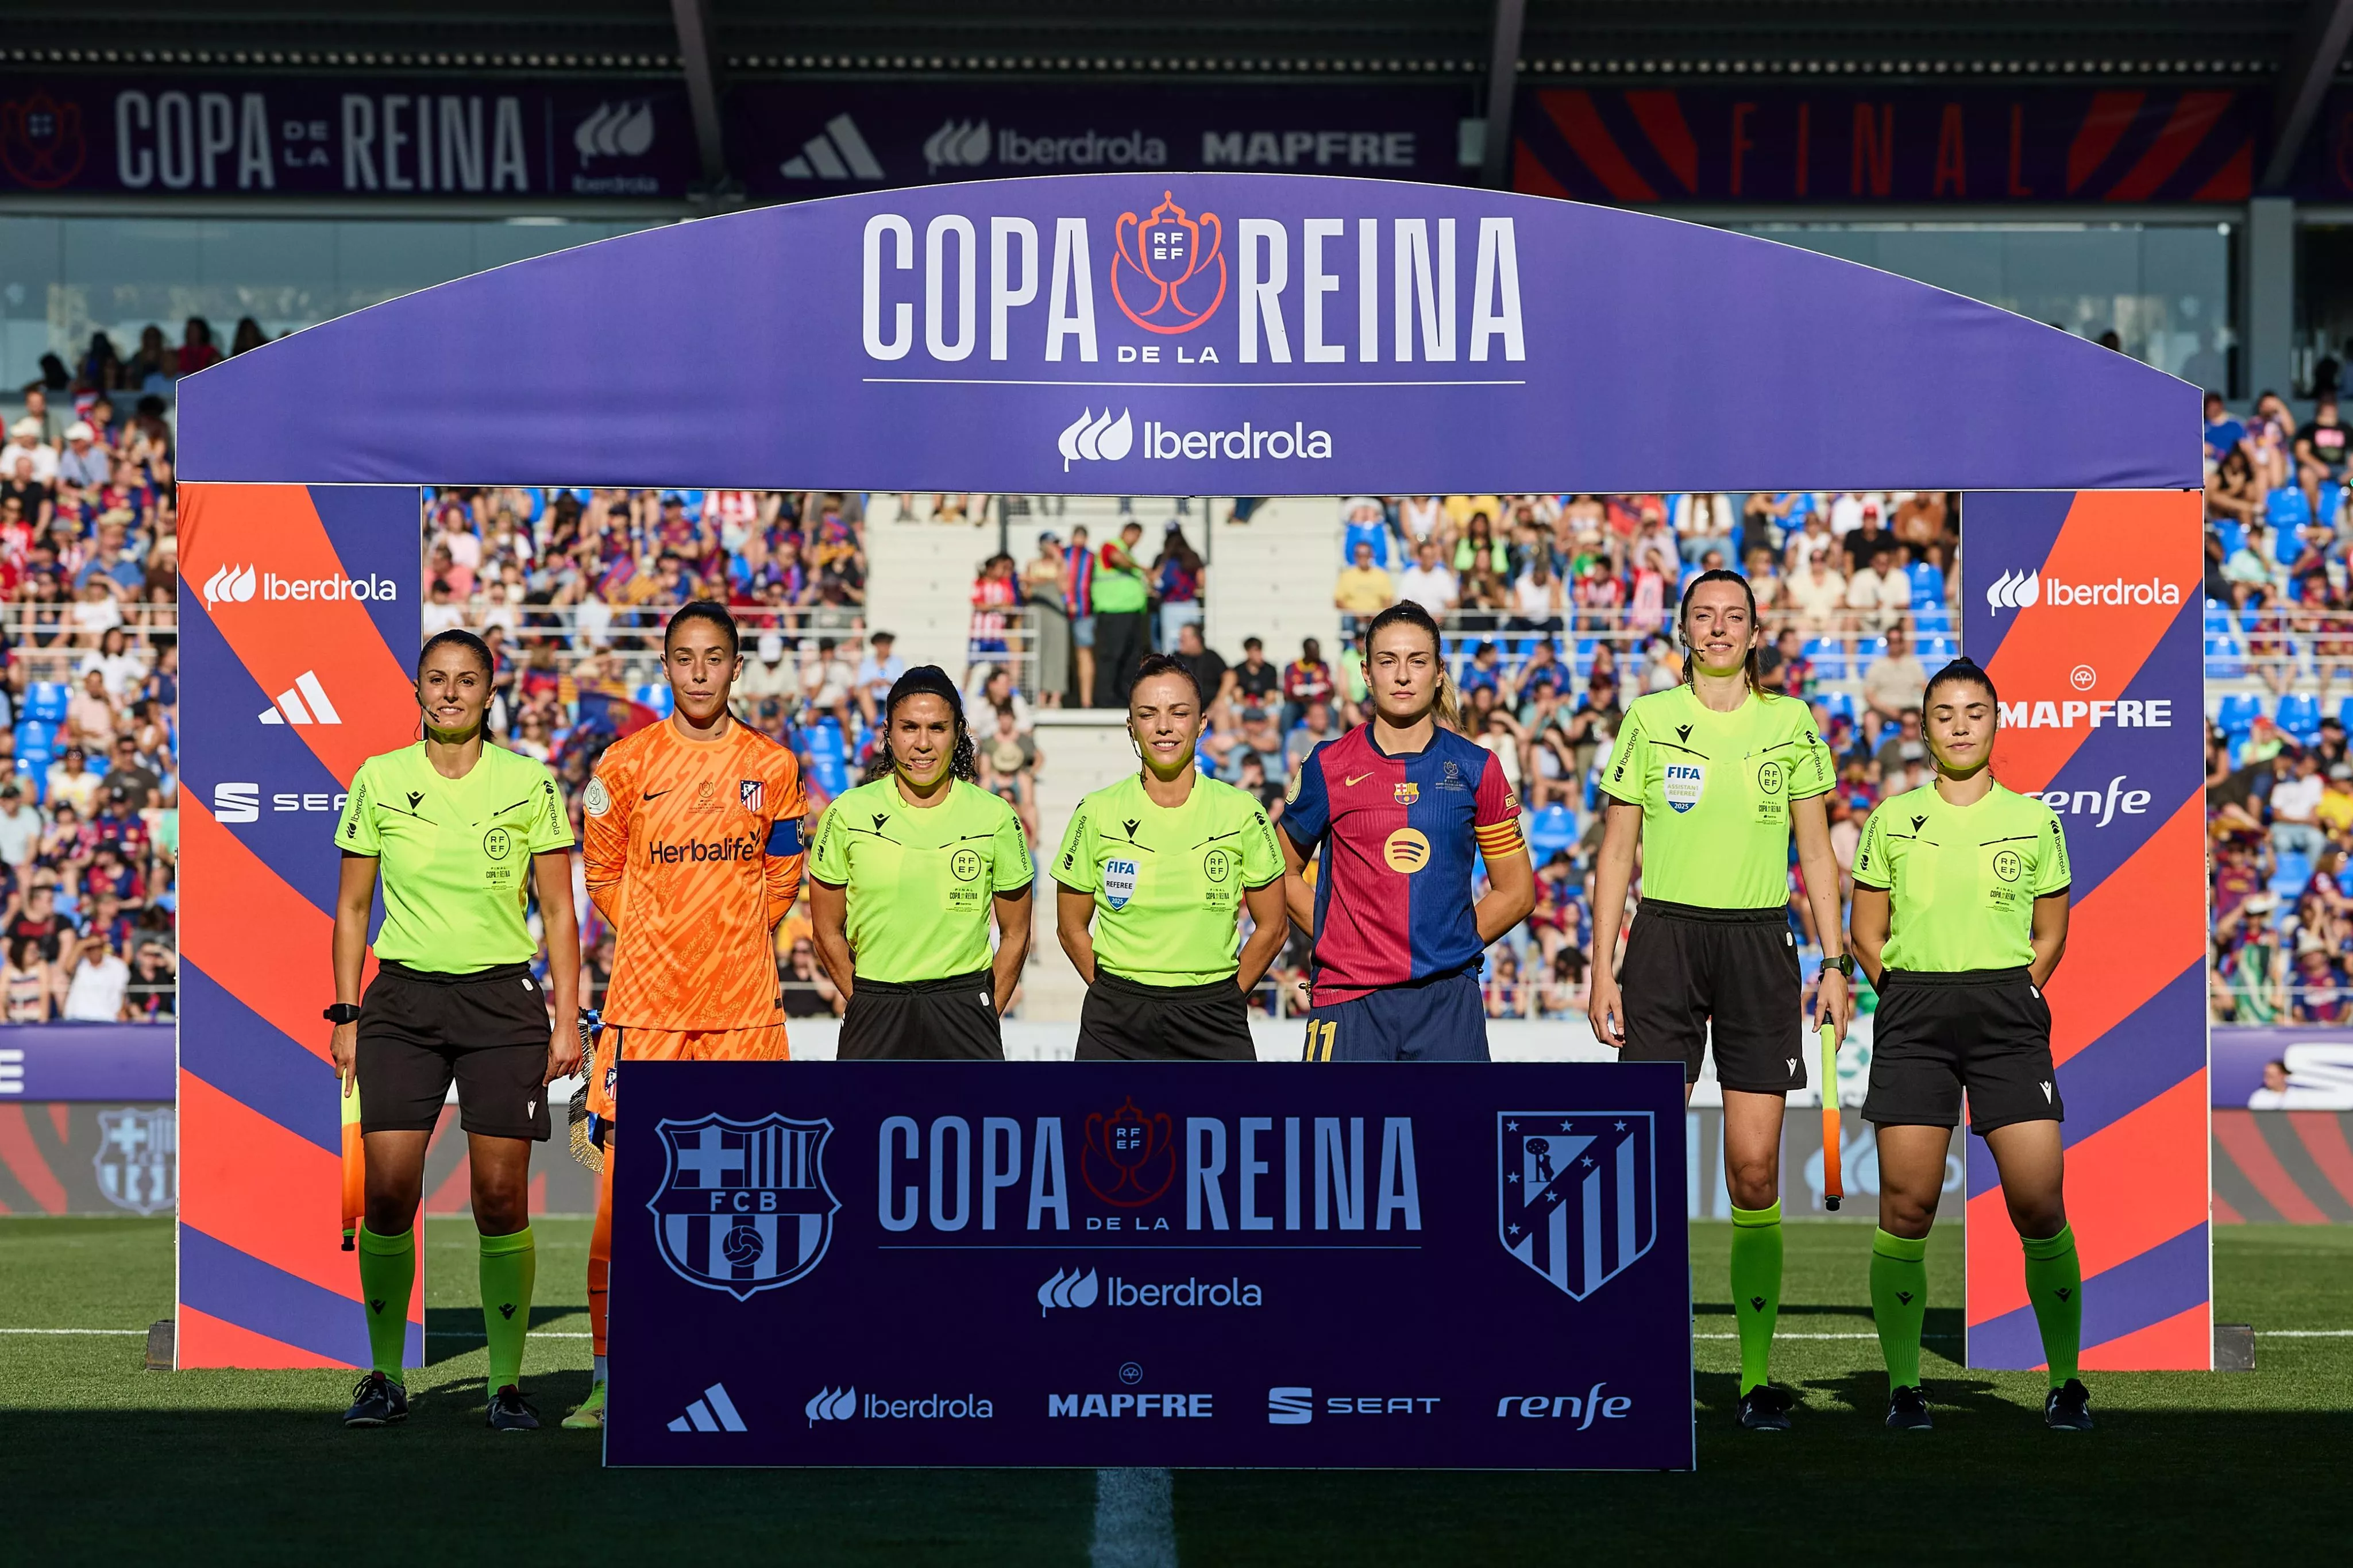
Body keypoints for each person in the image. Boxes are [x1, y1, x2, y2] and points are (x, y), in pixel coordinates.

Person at [1586, 569, 1850, 1432]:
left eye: (1734, 616)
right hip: (1662, 943)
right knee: (1646, 1162)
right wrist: (1601, 965)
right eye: (1705, 615)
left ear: (1755, 629)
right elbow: (1616, 853)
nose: (1720, 628)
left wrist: (1834, 960)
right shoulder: (1651, 720)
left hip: (1757, 946)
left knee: (1754, 1168)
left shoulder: (1792, 724)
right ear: (1684, 628)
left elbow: (1816, 856)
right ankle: (1633, 1361)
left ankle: (1755, 1377)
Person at [328, 629, 580, 1431]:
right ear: (417, 689)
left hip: (502, 1006)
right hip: (400, 1004)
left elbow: (561, 912)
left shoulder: (530, 782)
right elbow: (352, 909)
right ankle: (383, 1376)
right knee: (390, 1193)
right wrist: (346, 1012)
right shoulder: (379, 778)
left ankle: (505, 1385)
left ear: (490, 690)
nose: (450, 693)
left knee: (500, 1197)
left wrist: (567, 1016)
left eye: (466, 680)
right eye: (437, 679)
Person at [572, 601, 808, 1431]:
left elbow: (783, 877)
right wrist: (663, 933)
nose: (699, 672)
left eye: (714, 657)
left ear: (737, 666)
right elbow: (602, 875)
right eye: (684, 658)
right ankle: (608, 1372)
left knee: (750, 1196)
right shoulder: (626, 764)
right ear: (665, 666)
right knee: (623, 1199)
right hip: (646, 1009)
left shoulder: (774, 766)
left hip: (744, 1009)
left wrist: (729, 933)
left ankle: (739, 1363)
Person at [1847, 657, 2089, 1432]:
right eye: (1945, 712)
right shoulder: (1891, 817)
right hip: (1914, 1012)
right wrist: (1908, 991)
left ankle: (2066, 1382)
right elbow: (1865, 929)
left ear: (1996, 721)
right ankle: (1907, 1388)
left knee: (2037, 1199)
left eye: (1974, 711)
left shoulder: (2035, 820)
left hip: (2006, 1017)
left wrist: (2017, 989)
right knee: (1907, 1205)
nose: (1959, 724)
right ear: (1922, 725)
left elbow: (2050, 932)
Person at [1279, 601, 1535, 1061]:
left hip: (1447, 1003)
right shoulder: (1328, 765)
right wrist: (1334, 937)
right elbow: (1279, 872)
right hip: (1347, 1000)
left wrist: (1445, 945)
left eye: (1417, 662)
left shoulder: (1478, 768)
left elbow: (1516, 892)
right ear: (1366, 672)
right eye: (1388, 661)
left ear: (1439, 672)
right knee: (1340, 1137)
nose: (1402, 675)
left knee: (1453, 1137)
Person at [1057, 655, 1288, 1059]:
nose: (1164, 726)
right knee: (1106, 1125)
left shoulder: (1241, 811)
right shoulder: (1096, 811)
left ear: (1201, 722)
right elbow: (1070, 927)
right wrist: (1114, 994)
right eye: (1148, 714)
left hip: (1214, 1015)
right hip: (1117, 1021)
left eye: (1179, 713)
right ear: (1131, 725)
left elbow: (1273, 926)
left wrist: (1226, 998)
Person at [809, 667, 1032, 1058]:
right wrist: (866, 1001)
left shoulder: (995, 816)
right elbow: (827, 931)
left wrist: (979, 1011)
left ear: (958, 732)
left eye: (938, 728)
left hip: (964, 1005)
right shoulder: (847, 812)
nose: (923, 743)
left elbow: (1016, 934)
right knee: (865, 1121)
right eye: (909, 727)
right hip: (876, 1004)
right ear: (888, 731)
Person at [1091, 521, 1151, 706]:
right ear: (1127, 532)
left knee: (1131, 657)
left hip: (1131, 613)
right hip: (1114, 612)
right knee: (1111, 656)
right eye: (1135, 535)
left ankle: (1122, 695)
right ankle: (1104, 697)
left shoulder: (1129, 555)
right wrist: (1142, 568)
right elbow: (1118, 559)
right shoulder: (1111, 546)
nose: (1136, 540)